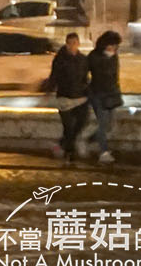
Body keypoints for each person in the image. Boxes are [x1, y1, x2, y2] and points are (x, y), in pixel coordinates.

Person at [41, 33, 89, 162]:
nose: (73, 46)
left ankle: (61, 145)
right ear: (67, 44)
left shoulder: (83, 59)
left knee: (81, 122)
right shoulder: (60, 59)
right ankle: (70, 153)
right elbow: (54, 77)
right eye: (70, 43)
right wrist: (48, 92)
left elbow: (85, 78)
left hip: (80, 97)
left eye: (75, 43)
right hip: (64, 97)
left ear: (78, 44)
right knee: (68, 126)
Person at [86, 31, 123, 165]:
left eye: (115, 46)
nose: (113, 48)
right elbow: (85, 72)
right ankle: (103, 152)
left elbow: (115, 77)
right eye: (111, 45)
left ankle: (92, 139)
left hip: (111, 94)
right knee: (102, 124)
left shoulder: (114, 57)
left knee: (109, 125)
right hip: (98, 94)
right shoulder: (94, 56)